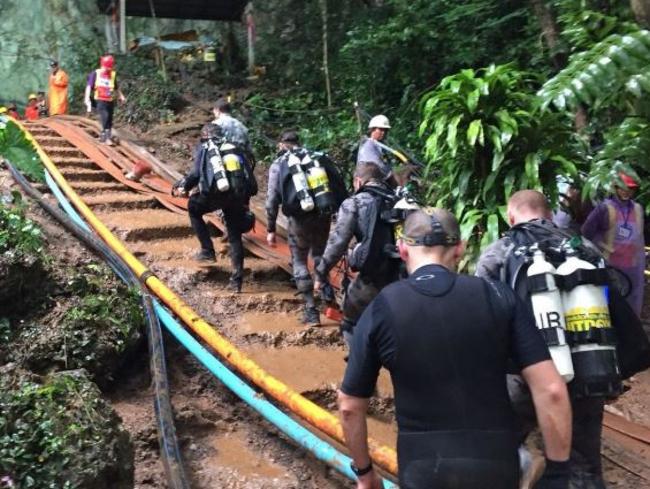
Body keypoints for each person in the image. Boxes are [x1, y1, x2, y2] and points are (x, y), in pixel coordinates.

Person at [339, 209, 572, 489]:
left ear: (402, 250)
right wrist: (558, 472)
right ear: (459, 249)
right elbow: (552, 391)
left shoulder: (383, 308)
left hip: (423, 468)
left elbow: (350, 406)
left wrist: (365, 473)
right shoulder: (498, 296)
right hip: (496, 465)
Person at [476, 189, 609, 489]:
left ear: (510, 217)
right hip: (588, 368)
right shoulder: (586, 249)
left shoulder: (501, 251)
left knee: (502, 449)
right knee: (584, 465)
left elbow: (483, 315)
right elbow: (609, 301)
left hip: (522, 377)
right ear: (549, 214)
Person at [314, 162, 402, 345]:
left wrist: (321, 272)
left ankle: (360, 366)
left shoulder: (354, 202)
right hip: (403, 275)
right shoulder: (398, 200)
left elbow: (337, 243)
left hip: (373, 277)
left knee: (350, 322)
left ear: (358, 181)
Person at [266, 130, 347, 326]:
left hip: (299, 219)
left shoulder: (280, 164)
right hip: (322, 215)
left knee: (299, 260)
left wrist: (270, 229)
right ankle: (330, 300)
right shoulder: (316, 158)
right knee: (320, 255)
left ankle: (311, 311)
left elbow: (271, 201)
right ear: (298, 142)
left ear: (281, 144)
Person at [173, 123, 256, 293]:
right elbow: (249, 179)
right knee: (234, 237)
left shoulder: (205, 147)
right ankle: (237, 280)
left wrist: (185, 188)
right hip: (235, 197)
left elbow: (196, 174)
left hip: (213, 195)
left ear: (205, 135)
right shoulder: (234, 148)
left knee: (193, 209)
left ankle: (207, 250)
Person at [581, 172, 645, 317]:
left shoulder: (638, 209)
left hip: (632, 267)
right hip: (610, 267)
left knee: (630, 306)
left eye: (630, 188)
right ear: (614, 188)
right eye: (622, 188)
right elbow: (586, 232)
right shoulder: (604, 209)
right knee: (608, 302)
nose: (626, 191)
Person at [84, 55, 126, 145]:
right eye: (106, 67)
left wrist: (121, 96)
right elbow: (89, 86)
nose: (107, 70)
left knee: (110, 118)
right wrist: (87, 98)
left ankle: (106, 135)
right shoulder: (96, 73)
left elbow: (116, 87)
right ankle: (106, 136)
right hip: (100, 99)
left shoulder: (112, 74)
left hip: (110, 100)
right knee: (105, 116)